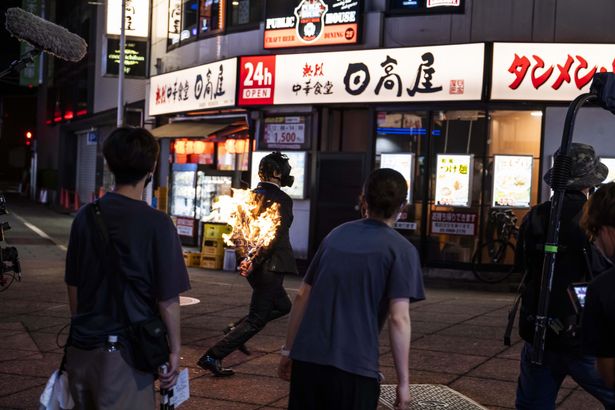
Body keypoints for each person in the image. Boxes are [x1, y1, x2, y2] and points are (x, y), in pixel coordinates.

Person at [278, 168, 425, 410]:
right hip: (355, 367)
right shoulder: (402, 250)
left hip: (308, 360)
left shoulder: (336, 235)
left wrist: (288, 350)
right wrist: (404, 383)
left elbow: (302, 295)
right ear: (403, 205)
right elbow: (399, 319)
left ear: (364, 200)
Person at [65, 127, 191, 408]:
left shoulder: (86, 215)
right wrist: (174, 350)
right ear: (152, 167)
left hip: (82, 350)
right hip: (126, 357)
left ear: (109, 164)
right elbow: (168, 299)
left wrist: (84, 327)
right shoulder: (158, 224)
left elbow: (73, 284)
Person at [515, 143, 615, 409]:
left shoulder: (535, 215)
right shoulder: (596, 219)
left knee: (532, 404)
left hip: (539, 329)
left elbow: (522, 265)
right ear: (590, 182)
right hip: (584, 332)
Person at [197, 151, 297, 376]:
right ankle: (212, 356)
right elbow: (275, 236)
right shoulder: (282, 200)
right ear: (276, 173)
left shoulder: (246, 198)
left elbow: (237, 234)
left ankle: (233, 330)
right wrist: (255, 260)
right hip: (270, 265)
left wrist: (246, 260)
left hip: (253, 265)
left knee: (284, 306)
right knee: (256, 319)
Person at [581, 182, 615, 392]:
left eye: (593, 232)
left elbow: (609, 372)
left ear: (606, 230)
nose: (595, 241)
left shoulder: (603, 289)